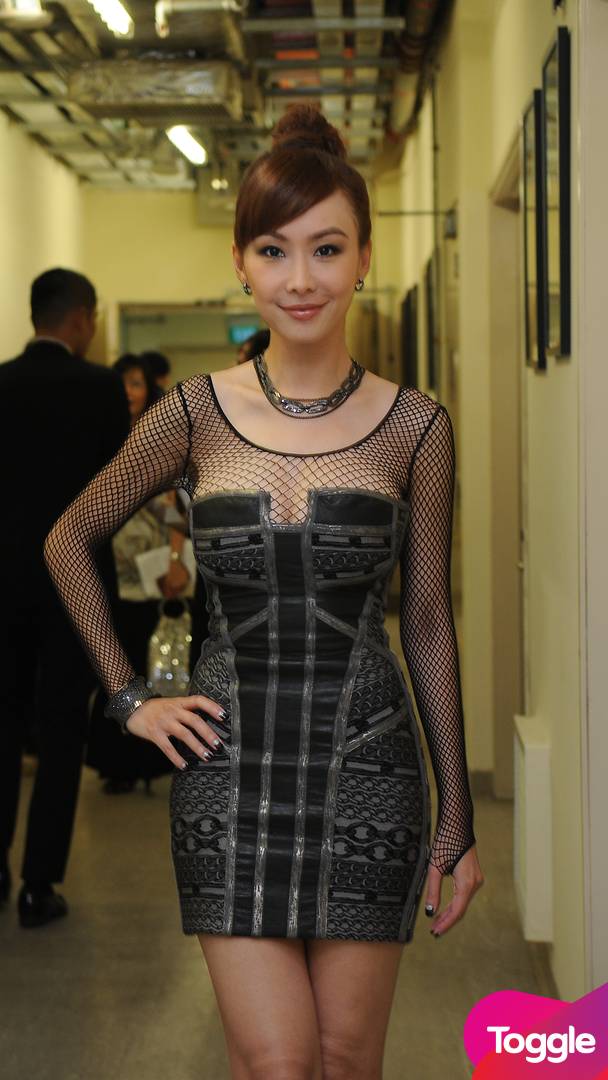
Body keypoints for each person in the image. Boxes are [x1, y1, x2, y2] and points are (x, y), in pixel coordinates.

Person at [43, 105, 484, 1079]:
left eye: (326, 249)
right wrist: (128, 698)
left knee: (344, 1060)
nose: (300, 278)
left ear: (363, 257)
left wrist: (456, 817)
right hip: (227, 771)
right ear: (242, 263)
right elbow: (69, 537)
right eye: (274, 251)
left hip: (370, 768)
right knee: (278, 1063)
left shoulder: (415, 428)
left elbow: (425, 622)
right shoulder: (190, 415)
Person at [0, 267, 130, 927]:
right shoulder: (100, 388)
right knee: (61, 731)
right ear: (80, 318)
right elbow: (117, 485)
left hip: (2, 585)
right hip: (75, 586)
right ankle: (38, 883)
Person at [86, 353, 192, 794]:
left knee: (155, 662)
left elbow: (174, 510)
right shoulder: (97, 436)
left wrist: (176, 560)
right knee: (115, 661)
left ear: (148, 388)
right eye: (122, 382)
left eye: (135, 382)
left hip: (152, 570)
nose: (128, 391)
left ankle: (155, 760)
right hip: (108, 570)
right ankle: (120, 764)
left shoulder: (157, 437)